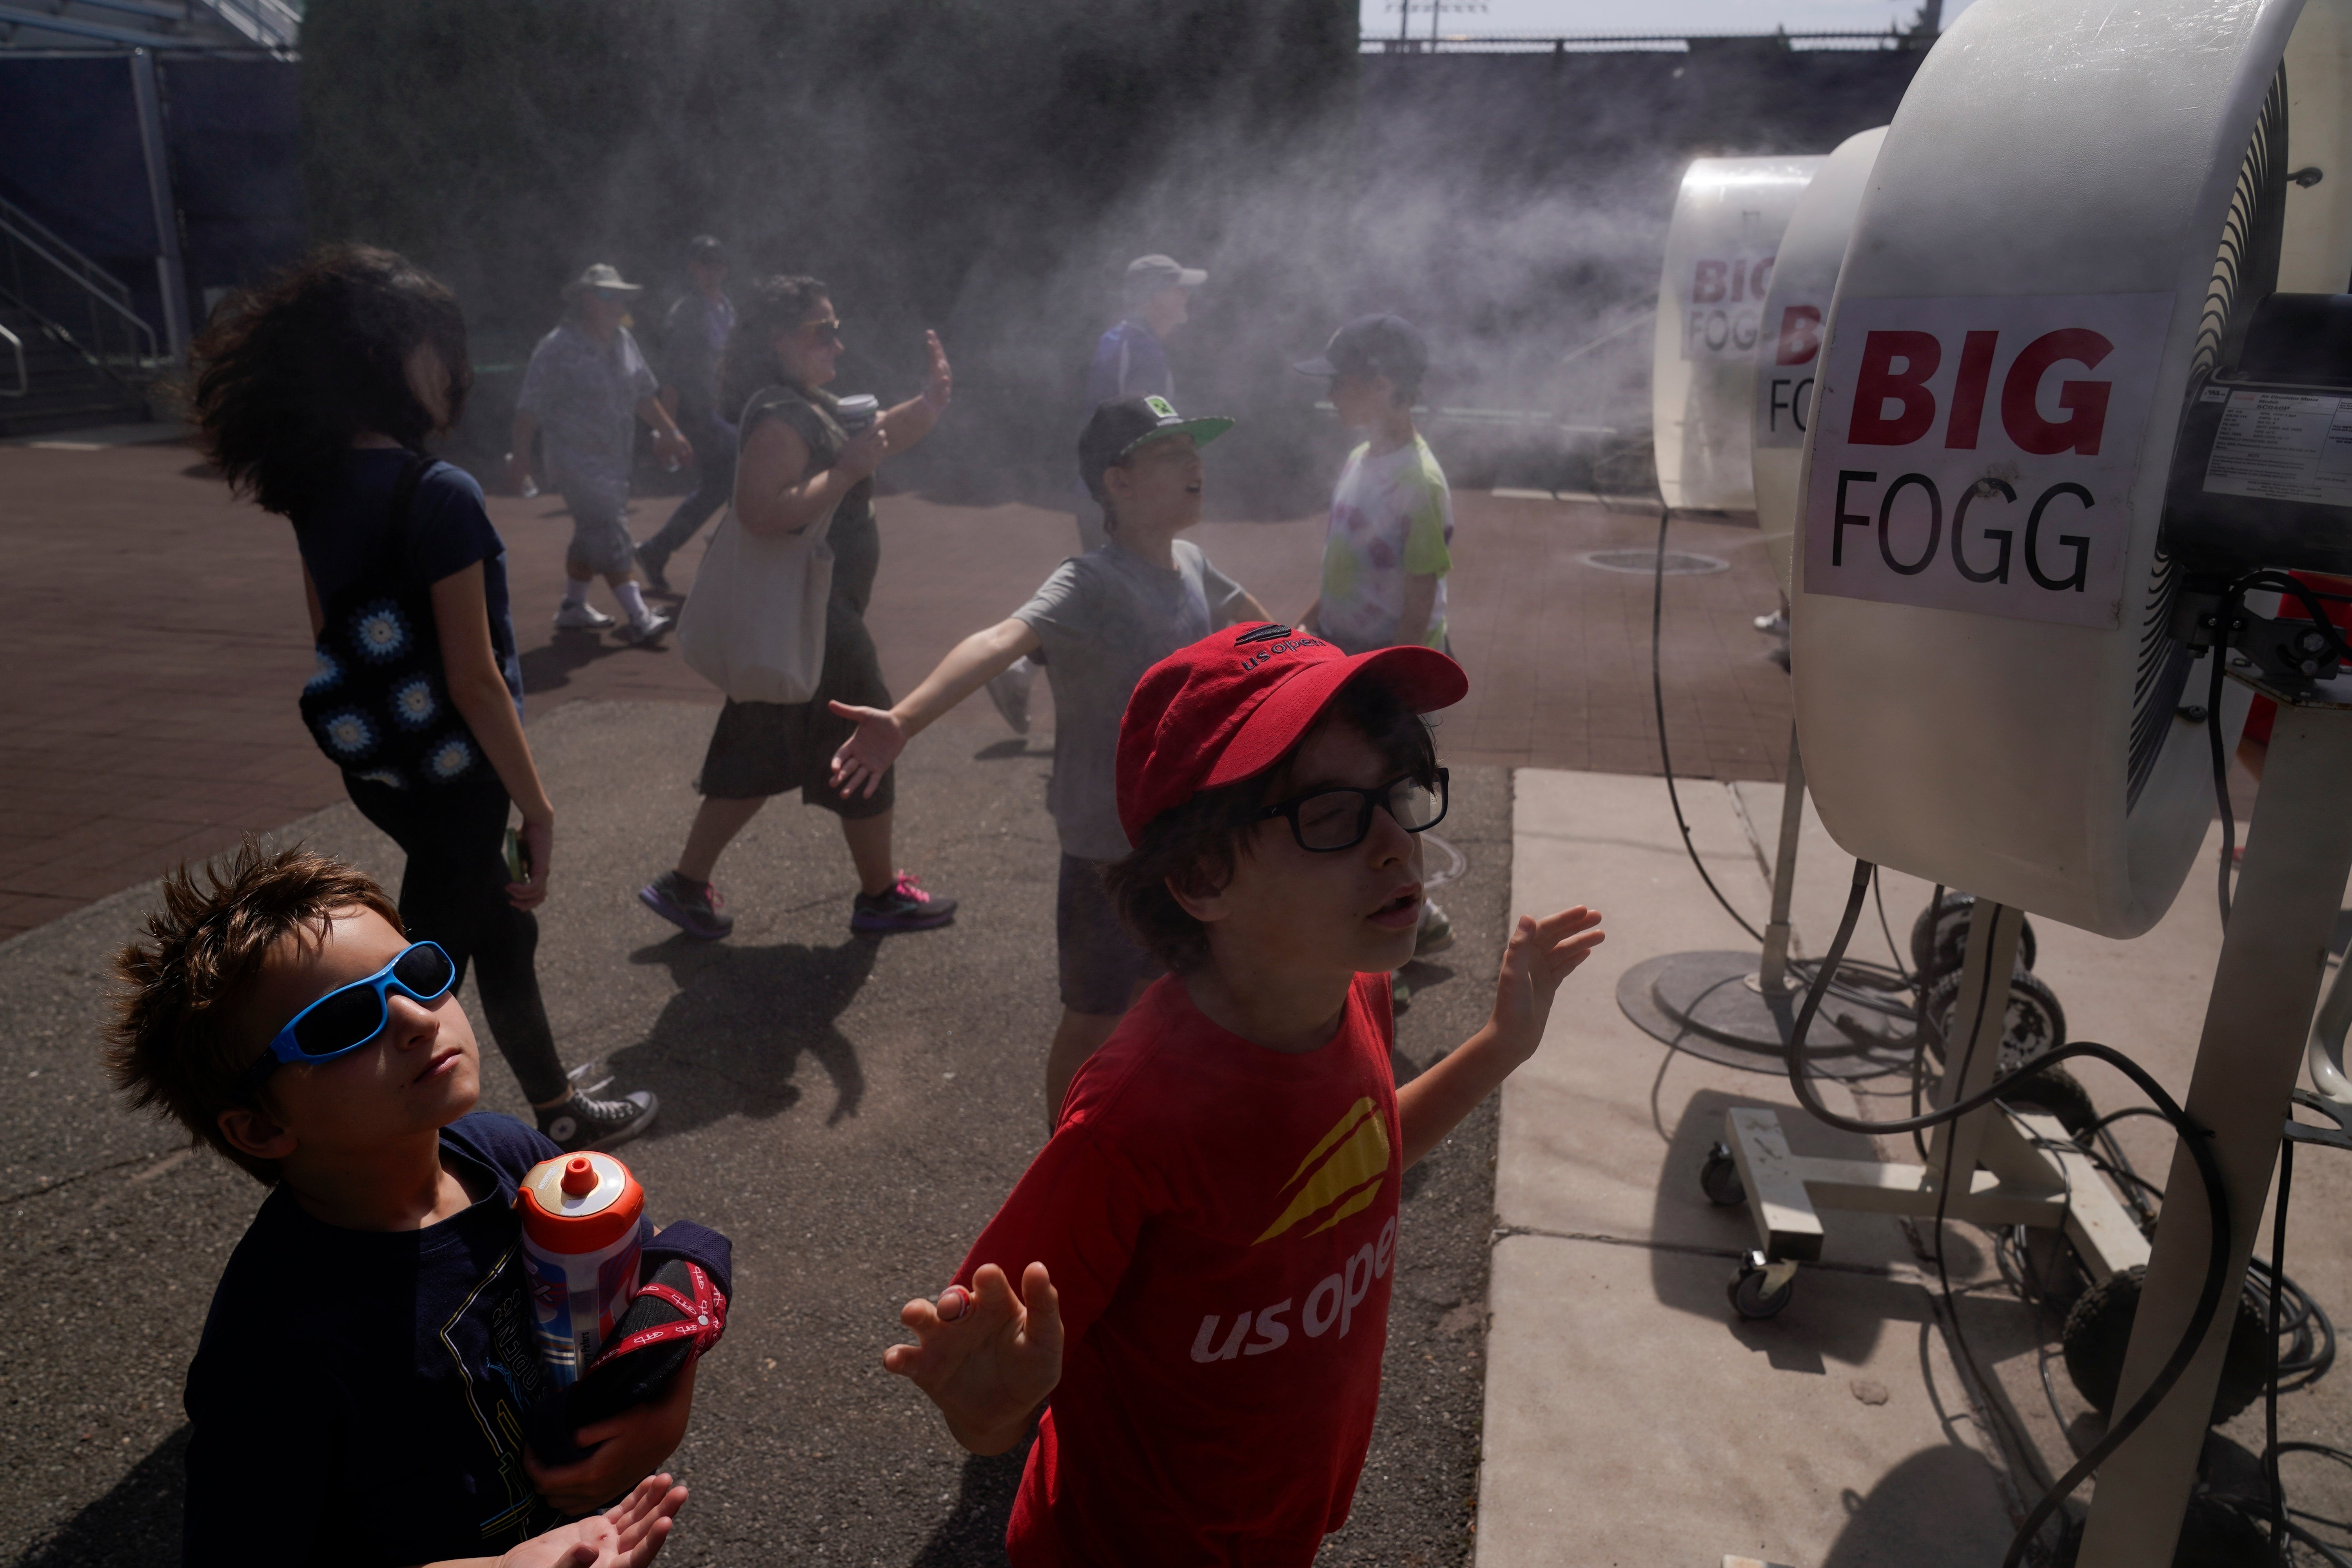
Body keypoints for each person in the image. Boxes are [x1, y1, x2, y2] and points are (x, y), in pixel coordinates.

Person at [881, 624, 1606, 1562]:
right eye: (1331, 814)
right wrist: (988, 1414)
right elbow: (992, 1374)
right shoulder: (1129, 1123)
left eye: (1398, 793)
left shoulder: (1354, 986)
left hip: (1280, 1511)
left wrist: (1503, 1044)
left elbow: (1364, 1153)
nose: (1398, 845)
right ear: (1199, 877)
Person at [105, 843, 711, 1567]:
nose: (416, 1016)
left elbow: (653, 1280)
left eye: (417, 973)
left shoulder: (507, 1155)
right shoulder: (272, 1346)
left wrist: (661, 1412)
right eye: (341, 1021)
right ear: (262, 1128)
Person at [188, 244, 659, 1152]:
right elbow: (475, 678)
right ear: (389, 358)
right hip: (458, 773)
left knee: (500, 933)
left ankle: (556, 1105)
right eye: (439, 346)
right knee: (422, 969)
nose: (455, 368)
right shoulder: (441, 493)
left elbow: (329, 630)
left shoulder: (313, 481)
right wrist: (536, 804)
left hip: (382, 765)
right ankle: (381, 1143)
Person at [827, 395, 1273, 1124]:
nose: (1195, 464)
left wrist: (1310, 668)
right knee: (1095, 1015)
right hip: (1108, 849)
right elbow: (1000, 640)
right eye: (1171, 455)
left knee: (1165, 990)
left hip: (1182, 830)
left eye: (1194, 451)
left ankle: (1141, 1115)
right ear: (1118, 482)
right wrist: (904, 720)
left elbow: (1250, 617)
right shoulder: (1090, 582)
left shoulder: (1192, 562)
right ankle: (1066, 1146)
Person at [638, 274, 958, 940]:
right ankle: (879, 895)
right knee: (869, 732)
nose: (837, 343)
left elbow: (876, 435)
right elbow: (762, 512)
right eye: (823, 331)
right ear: (779, 340)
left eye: (837, 329)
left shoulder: (806, 402)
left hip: (806, 614)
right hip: (816, 614)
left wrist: (929, 403)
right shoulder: (781, 416)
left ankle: (685, 884)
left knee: (759, 741)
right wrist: (844, 473)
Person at [1292, 312, 1459, 962]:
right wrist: (1307, 623)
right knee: (1374, 806)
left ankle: (1395, 950)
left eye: (1340, 381)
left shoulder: (1420, 483)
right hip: (1344, 660)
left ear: (1384, 386)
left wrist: (1390, 692)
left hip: (1385, 676)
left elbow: (1419, 601)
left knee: (1386, 813)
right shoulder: (1362, 459)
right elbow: (1344, 565)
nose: (1330, 394)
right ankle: (1422, 923)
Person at [985, 253, 1208, 737]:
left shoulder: (1134, 342)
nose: (1186, 296)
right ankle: (1032, 670)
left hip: (1119, 492)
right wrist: (1140, 495)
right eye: (1177, 288)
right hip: (1118, 496)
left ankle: (1025, 667)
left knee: (1114, 598)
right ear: (1154, 296)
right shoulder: (1134, 347)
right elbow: (1134, 434)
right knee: (1121, 599)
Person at [508, 263, 691, 645]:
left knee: (592, 531)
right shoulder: (557, 347)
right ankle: (639, 616)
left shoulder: (624, 341)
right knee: (610, 528)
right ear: (585, 300)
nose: (617, 303)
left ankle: (573, 606)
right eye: (608, 295)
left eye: (620, 296)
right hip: (573, 461)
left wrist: (669, 431)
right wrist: (522, 458)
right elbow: (529, 408)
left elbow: (644, 395)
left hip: (614, 461)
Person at [636, 236, 738, 592]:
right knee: (742, 468)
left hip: (724, 410)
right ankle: (725, 547)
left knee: (717, 487)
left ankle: (656, 550)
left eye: (719, 263)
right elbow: (672, 376)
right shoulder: (687, 313)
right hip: (700, 413)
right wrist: (667, 430)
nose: (713, 270)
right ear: (694, 269)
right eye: (706, 263)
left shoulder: (726, 307)